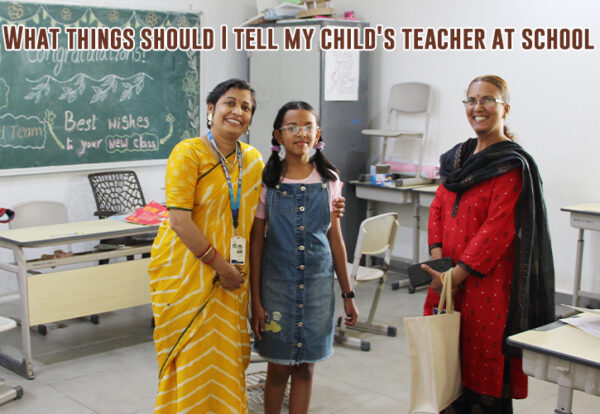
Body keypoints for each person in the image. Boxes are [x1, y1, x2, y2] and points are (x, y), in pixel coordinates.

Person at [148, 80, 345, 413]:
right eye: (230, 103)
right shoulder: (188, 153)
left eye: (246, 107)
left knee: (226, 362)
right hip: (191, 275)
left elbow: (273, 209)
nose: (237, 111)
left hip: (233, 280)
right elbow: (180, 221)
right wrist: (220, 266)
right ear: (211, 109)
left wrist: (331, 205)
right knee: (192, 359)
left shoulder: (253, 160)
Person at [421, 75, 555, 413]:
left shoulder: (511, 164)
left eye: (488, 100)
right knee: (444, 374)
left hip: (488, 288)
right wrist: (441, 268)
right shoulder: (455, 160)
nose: (478, 107)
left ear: (505, 108)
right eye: (471, 100)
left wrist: (455, 275)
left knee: (483, 374)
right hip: (446, 283)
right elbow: (437, 207)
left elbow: (498, 230)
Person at [250, 101, 359, 414]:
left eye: (308, 126)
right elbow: (257, 243)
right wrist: (255, 301)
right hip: (276, 289)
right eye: (292, 127)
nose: (301, 133)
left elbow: (335, 240)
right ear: (278, 135)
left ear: (318, 134)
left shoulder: (330, 180)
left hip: (318, 288)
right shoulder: (267, 181)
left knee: (306, 368)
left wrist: (348, 293)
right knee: (278, 369)